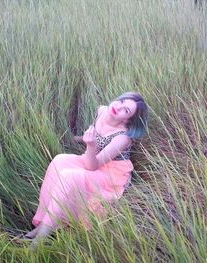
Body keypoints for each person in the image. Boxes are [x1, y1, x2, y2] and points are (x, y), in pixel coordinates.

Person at [24, 92, 148, 247]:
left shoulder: (122, 138)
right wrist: (82, 140)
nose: (119, 107)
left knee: (70, 177)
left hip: (110, 173)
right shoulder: (102, 110)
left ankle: (38, 242)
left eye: (126, 111)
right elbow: (94, 140)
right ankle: (44, 223)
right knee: (59, 161)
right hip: (91, 157)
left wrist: (91, 145)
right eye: (121, 101)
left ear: (128, 120)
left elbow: (93, 165)